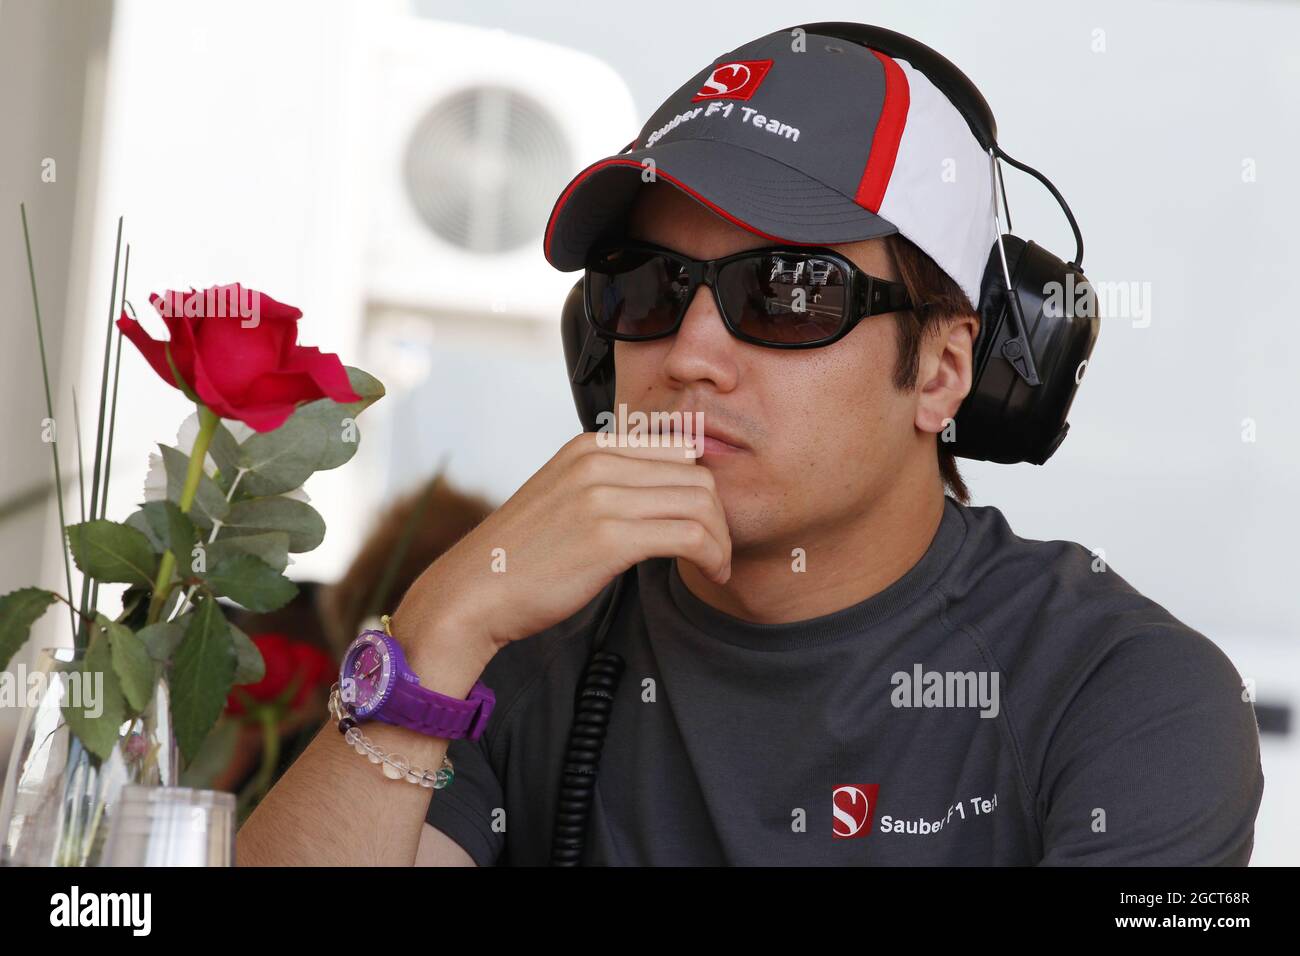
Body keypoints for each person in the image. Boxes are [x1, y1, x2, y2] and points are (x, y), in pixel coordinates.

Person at [237, 25, 1263, 867]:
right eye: (644, 285)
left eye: (790, 293)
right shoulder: (520, 652)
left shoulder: (1128, 693)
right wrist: (438, 627)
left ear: (944, 370)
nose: (690, 352)